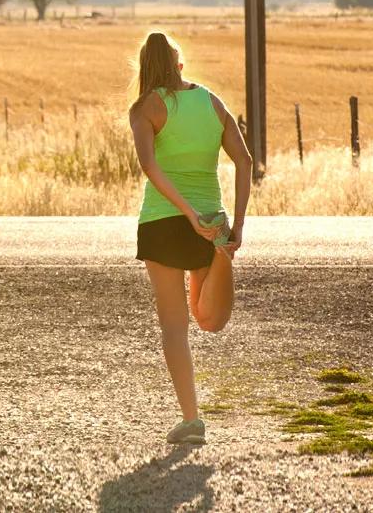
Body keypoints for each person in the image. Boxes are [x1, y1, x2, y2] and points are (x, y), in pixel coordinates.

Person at [127, 31, 252, 444]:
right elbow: (245, 161)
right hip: (211, 222)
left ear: (145, 69)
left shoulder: (145, 107)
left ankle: (192, 420)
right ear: (180, 66)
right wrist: (236, 225)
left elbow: (150, 167)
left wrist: (184, 211)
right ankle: (221, 253)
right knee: (209, 320)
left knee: (175, 326)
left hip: (164, 220)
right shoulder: (210, 101)